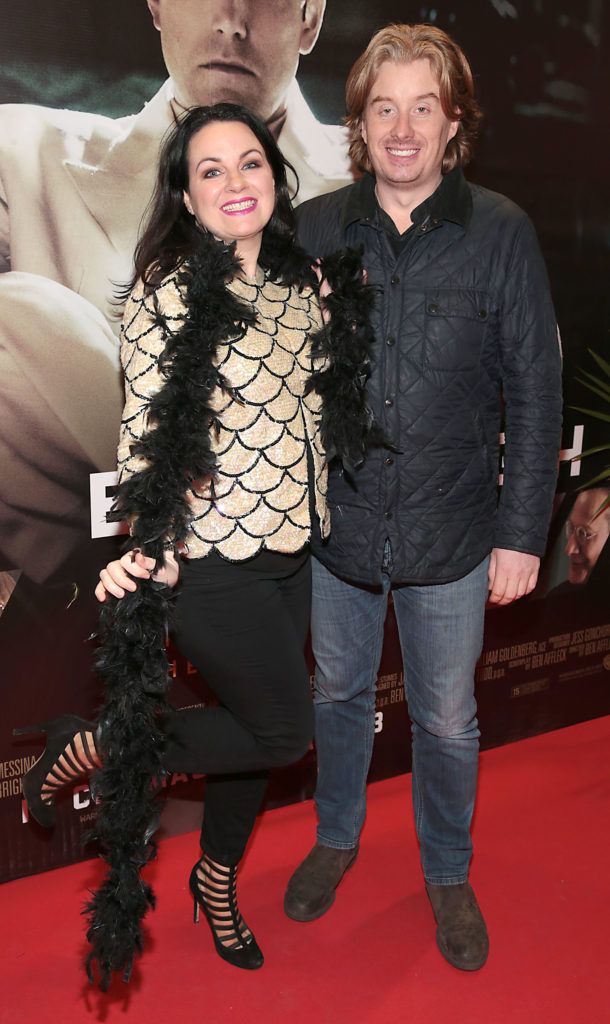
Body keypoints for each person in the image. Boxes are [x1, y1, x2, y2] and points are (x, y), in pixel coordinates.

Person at [15, 101, 377, 986]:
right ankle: (103, 739)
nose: (233, 182)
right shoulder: (169, 291)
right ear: (184, 190)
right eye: (209, 170)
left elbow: (317, 401)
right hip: (212, 561)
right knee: (285, 730)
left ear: (274, 176)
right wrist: (153, 541)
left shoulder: (301, 281)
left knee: (254, 732)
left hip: (294, 549)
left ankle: (217, 884)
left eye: (248, 163)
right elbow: (148, 431)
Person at [282, 23, 563, 972]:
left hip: (455, 536)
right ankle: (336, 836)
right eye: (383, 108)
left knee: (448, 719)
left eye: (424, 108)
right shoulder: (316, 230)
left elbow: (534, 392)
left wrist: (524, 533)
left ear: (454, 124)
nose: (403, 128)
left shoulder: (502, 232)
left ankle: (447, 868)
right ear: (358, 123)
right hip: (341, 534)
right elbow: (264, 371)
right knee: (337, 695)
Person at [0, 0, 353, 581]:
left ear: (310, 18)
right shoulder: (26, 153)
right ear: (157, 4)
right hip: (100, 589)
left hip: (301, 559)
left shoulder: (383, 183)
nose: (233, 21)